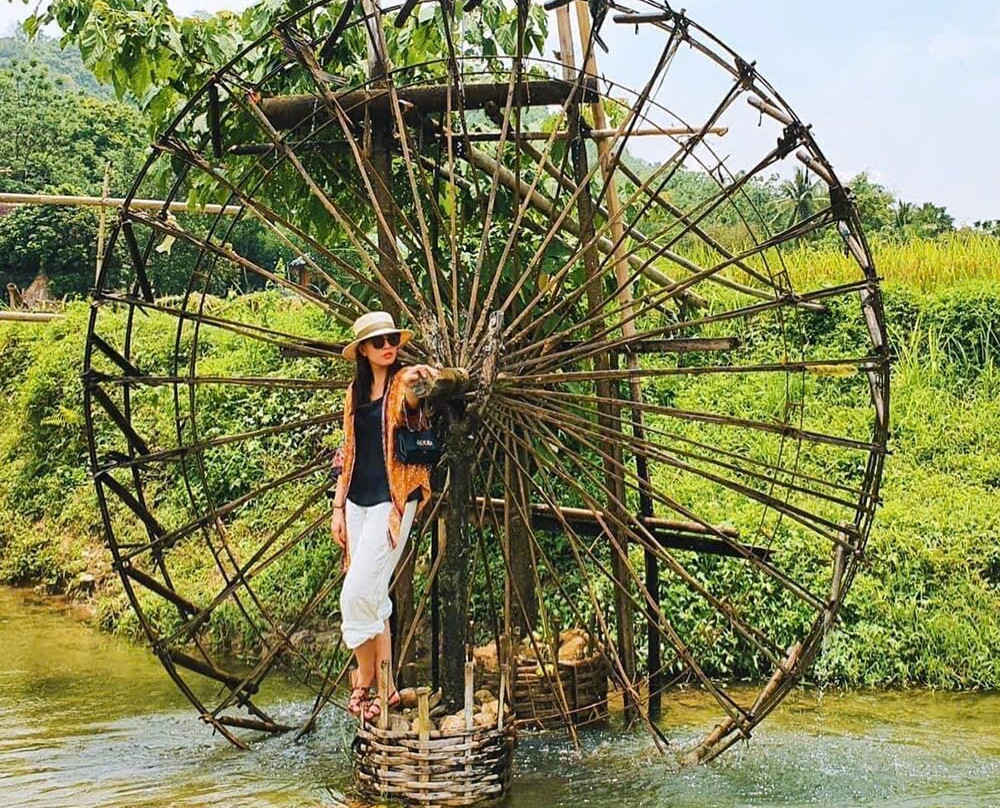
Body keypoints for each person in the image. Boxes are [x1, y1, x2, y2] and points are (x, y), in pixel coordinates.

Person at [331, 310, 438, 721]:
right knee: (372, 594)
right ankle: (389, 688)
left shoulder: (400, 384)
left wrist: (415, 382)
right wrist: (338, 507)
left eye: (392, 339)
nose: (388, 346)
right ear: (362, 350)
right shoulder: (355, 392)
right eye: (379, 342)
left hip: (394, 501)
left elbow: (413, 406)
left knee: (355, 594)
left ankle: (363, 680)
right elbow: (348, 450)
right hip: (357, 500)